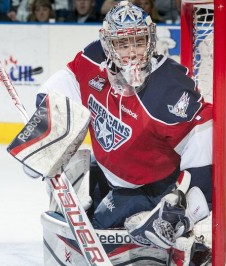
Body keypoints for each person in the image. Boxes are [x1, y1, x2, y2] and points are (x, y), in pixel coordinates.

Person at [35, 0, 212, 256]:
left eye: (139, 42)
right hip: (112, 174)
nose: (132, 52)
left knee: (95, 230)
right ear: (108, 44)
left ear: (150, 40)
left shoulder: (170, 88)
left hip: (151, 188)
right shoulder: (93, 59)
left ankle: (181, 243)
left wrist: (183, 213)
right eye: (122, 43)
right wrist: (43, 130)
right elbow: (63, 84)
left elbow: (204, 143)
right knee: (79, 205)